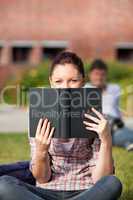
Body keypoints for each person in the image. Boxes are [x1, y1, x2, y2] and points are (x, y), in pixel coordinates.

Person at [0, 52, 122, 200]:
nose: (66, 88)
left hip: (85, 191)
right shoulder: (39, 114)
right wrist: (41, 151)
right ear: (51, 82)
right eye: (59, 81)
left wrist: (106, 140)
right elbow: (42, 178)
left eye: (73, 80)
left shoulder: (95, 115)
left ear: (83, 81)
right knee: (4, 184)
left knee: (113, 182)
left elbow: (100, 179)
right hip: (46, 192)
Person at [84, 59, 133, 151]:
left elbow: (115, 107)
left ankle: (126, 141)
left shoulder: (114, 88)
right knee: (113, 131)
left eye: (102, 74)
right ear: (90, 75)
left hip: (117, 122)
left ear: (106, 75)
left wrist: (122, 116)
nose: (99, 77)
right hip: (99, 122)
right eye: (96, 74)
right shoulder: (86, 88)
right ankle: (126, 141)